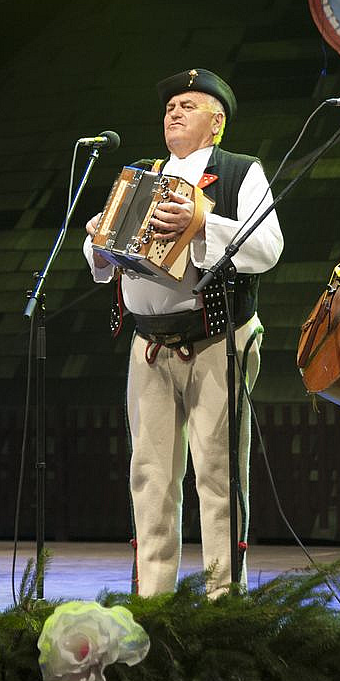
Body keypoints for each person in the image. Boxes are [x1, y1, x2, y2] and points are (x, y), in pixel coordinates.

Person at [83, 68, 283, 597]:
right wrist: (98, 238)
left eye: (188, 105)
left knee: (217, 472)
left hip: (215, 338)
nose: (174, 111)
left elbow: (268, 248)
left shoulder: (240, 171)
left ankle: (223, 597)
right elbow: (103, 259)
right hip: (148, 343)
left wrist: (200, 225)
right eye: (170, 106)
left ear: (216, 123)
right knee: (150, 474)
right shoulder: (142, 175)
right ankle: (153, 596)